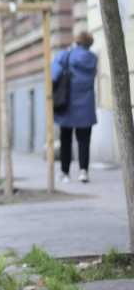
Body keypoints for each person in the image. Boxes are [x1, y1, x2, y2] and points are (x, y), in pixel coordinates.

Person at [52, 31, 99, 185]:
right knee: (84, 141)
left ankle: (65, 173)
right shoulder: (93, 59)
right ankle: (83, 171)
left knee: (65, 140)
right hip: (86, 105)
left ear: (77, 42)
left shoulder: (67, 55)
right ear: (89, 44)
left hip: (67, 105)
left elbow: (54, 74)